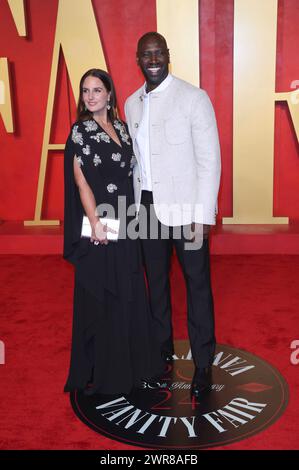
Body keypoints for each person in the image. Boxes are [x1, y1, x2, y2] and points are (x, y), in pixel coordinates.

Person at [125, 32, 221, 397]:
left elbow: (209, 161)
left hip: (186, 209)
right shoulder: (133, 103)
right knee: (157, 286)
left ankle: (203, 363)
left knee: (197, 286)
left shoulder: (193, 98)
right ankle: (162, 350)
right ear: (138, 60)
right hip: (146, 207)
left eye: (158, 53)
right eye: (146, 55)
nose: (153, 59)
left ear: (168, 55)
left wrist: (203, 215)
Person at [63, 68, 164, 396]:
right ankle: (108, 372)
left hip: (128, 220)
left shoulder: (121, 127)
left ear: (109, 94)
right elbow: (81, 182)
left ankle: (135, 366)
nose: (90, 96)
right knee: (106, 295)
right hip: (101, 224)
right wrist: (94, 222)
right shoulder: (81, 131)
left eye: (96, 90)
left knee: (130, 289)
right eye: (85, 91)